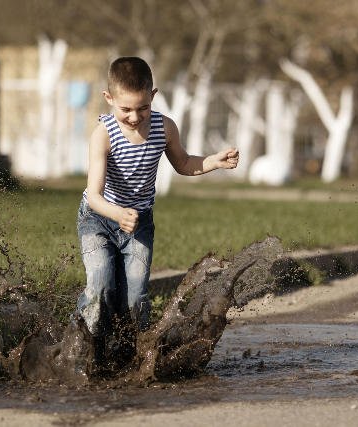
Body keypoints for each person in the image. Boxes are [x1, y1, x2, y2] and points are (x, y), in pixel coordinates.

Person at [76, 56, 239, 366]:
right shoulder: (104, 135)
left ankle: (129, 355)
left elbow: (184, 164)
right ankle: (80, 345)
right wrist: (117, 214)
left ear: (153, 96)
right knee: (101, 286)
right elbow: (94, 196)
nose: (135, 117)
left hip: (139, 224)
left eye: (142, 108)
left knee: (135, 297)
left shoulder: (164, 128)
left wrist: (213, 162)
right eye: (125, 109)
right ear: (109, 99)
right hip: (98, 220)